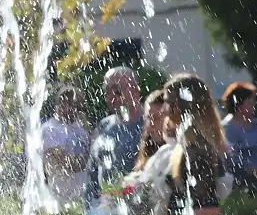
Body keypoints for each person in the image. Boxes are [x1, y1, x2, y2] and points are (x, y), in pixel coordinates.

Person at [134, 73, 228, 215]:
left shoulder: (199, 150)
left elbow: (210, 213)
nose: (164, 110)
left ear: (183, 107)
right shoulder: (186, 145)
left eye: (168, 103)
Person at [85, 67, 143, 207]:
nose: (112, 97)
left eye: (117, 91)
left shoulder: (150, 125)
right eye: (107, 92)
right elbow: (92, 172)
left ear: (135, 89)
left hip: (137, 213)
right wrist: (90, 210)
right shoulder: (104, 125)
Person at [42, 86, 90, 206]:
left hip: (82, 196)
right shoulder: (49, 129)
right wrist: (90, 161)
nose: (70, 107)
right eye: (64, 102)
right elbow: (63, 162)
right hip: (58, 198)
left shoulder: (82, 130)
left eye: (75, 104)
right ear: (57, 105)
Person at [133, 90, 166, 171]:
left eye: (156, 118)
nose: (150, 124)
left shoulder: (179, 152)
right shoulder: (147, 149)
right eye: (148, 118)